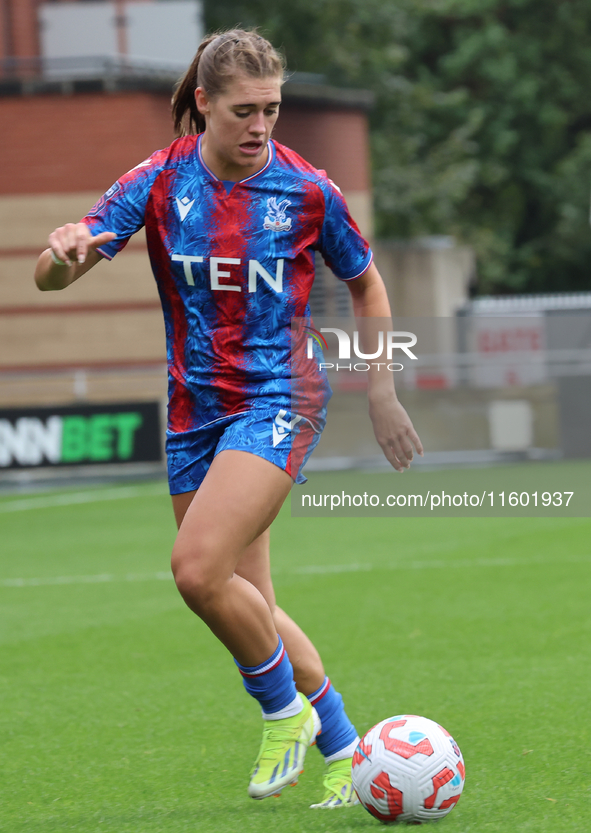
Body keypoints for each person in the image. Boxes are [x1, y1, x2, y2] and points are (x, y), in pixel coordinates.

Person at [34, 29, 423, 808]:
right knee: (246, 599)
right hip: (192, 413)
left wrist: (380, 387)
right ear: (204, 104)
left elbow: (369, 286)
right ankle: (346, 747)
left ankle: (284, 714)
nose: (260, 126)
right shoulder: (158, 179)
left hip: (279, 398)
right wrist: (64, 252)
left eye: (272, 110)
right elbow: (50, 279)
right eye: (244, 110)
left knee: (193, 568)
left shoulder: (308, 189)